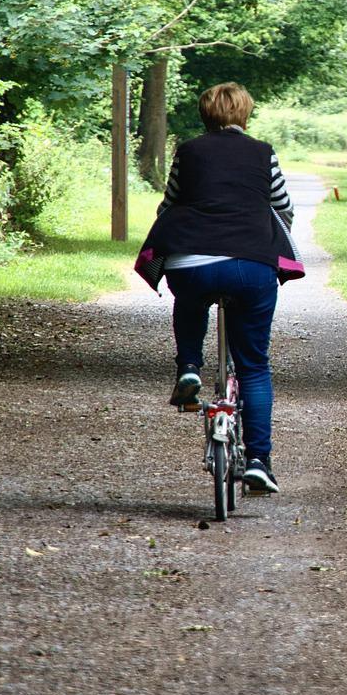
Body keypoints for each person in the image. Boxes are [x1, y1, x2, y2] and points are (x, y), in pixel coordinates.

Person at [141, 82, 295, 494]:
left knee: (188, 299)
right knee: (255, 366)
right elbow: (282, 206)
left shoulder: (188, 151)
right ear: (245, 113)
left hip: (192, 260)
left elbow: (169, 203)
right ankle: (259, 461)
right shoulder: (263, 152)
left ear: (205, 115)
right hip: (251, 266)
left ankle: (189, 367)